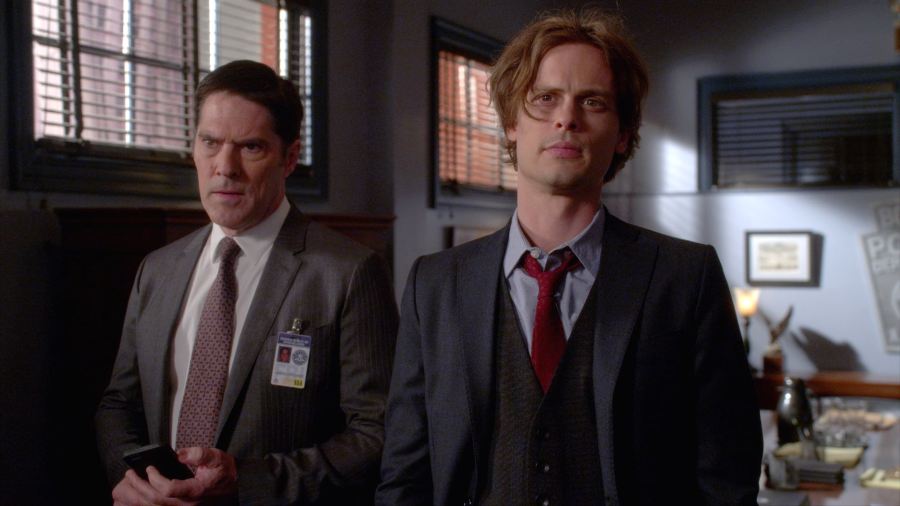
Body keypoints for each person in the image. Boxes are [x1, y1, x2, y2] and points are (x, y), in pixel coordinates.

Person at [377, 9, 762, 506]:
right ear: (512, 123)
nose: (566, 119)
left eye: (592, 101)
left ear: (622, 134)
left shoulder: (686, 277)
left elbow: (727, 477)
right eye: (545, 98)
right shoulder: (434, 284)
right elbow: (405, 474)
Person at [96, 60, 398, 505]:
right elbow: (119, 404)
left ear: (289, 158)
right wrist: (130, 477)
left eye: (250, 147)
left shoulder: (349, 273)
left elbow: (377, 431)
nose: (225, 167)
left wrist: (247, 482)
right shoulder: (156, 270)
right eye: (210, 143)